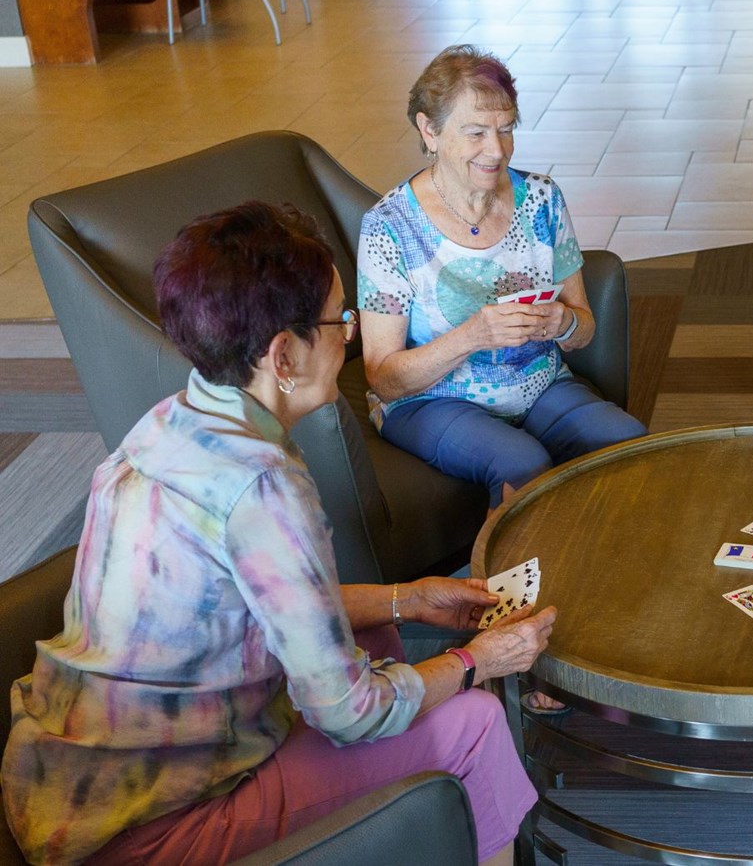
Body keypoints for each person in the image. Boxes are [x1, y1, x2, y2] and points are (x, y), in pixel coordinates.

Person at [2, 203, 555, 866]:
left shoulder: (168, 423)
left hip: (61, 785)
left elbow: (259, 607)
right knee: (474, 723)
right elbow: (352, 713)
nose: (350, 337)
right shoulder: (261, 487)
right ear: (283, 356)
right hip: (143, 832)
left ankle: (411, 823)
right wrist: (477, 662)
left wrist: (407, 598)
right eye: (338, 320)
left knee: (377, 634)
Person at [359, 45, 645, 504]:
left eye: (506, 130)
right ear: (429, 130)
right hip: (430, 400)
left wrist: (562, 323)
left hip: (538, 383)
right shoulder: (388, 227)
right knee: (520, 464)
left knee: (630, 442)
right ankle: (503, 578)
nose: (497, 150)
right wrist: (473, 335)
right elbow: (384, 378)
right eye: (475, 133)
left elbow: (584, 329)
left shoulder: (542, 199)